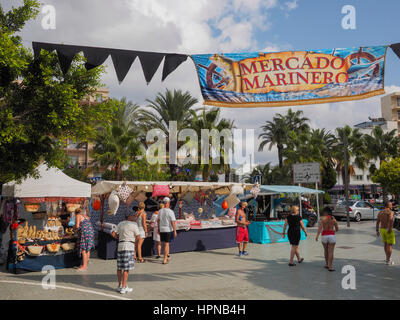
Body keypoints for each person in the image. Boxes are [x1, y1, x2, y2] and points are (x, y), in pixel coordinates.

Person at [112, 210, 140, 294]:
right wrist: (135, 245)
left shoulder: (120, 223)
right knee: (126, 269)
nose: (135, 217)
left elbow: (113, 233)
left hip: (120, 246)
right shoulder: (134, 224)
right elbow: (138, 236)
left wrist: (118, 237)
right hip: (129, 246)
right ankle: (124, 287)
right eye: (134, 215)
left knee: (119, 268)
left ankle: (120, 285)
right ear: (130, 216)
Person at [316, 206, 339, 271]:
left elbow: (320, 228)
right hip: (331, 236)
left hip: (324, 236)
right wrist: (333, 231)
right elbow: (337, 229)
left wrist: (317, 236)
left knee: (326, 251)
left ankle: (326, 264)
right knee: (331, 252)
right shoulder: (333, 219)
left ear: (325, 212)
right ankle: (330, 267)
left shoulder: (323, 219)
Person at [158, 197, 177, 265]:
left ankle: (166, 256)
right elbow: (173, 222)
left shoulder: (160, 211)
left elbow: (158, 220)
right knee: (166, 244)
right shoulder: (170, 212)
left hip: (162, 229)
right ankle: (165, 258)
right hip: (168, 229)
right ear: (168, 203)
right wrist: (175, 231)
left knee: (165, 244)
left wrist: (158, 229)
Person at [376, 200, 395, 265]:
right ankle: (388, 260)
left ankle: (387, 257)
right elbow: (391, 220)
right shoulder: (390, 212)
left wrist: (377, 230)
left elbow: (377, 222)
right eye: (391, 204)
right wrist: (390, 229)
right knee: (389, 245)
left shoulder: (380, 212)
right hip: (388, 229)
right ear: (388, 205)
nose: (392, 205)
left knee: (385, 244)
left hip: (382, 230)